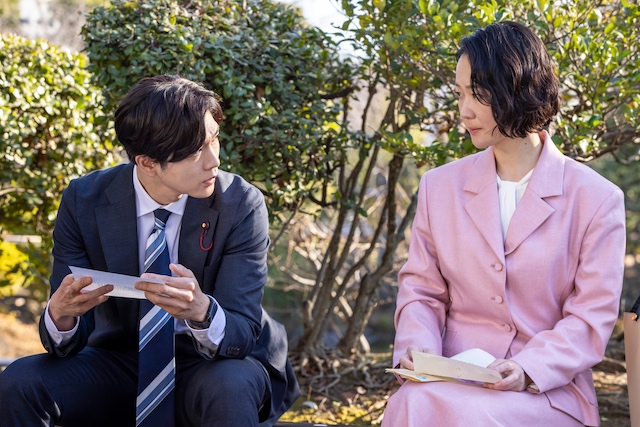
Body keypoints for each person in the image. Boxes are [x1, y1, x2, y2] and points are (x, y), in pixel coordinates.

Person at [0, 75, 299, 427]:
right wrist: (61, 315)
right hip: (121, 359)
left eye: (214, 139)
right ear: (147, 163)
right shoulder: (84, 200)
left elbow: (242, 330)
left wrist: (201, 310)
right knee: (20, 381)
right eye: (195, 152)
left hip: (213, 362)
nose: (213, 161)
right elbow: (67, 338)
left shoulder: (240, 204)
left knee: (230, 387)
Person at [381, 21, 626, 426]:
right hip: (450, 378)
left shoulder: (597, 199)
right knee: (411, 402)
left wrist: (529, 368)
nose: (464, 110)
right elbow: (422, 291)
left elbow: (590, 318)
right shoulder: (439, 186)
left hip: (546, 390)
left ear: (518, 88)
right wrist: (419, 350)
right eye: (460, 94)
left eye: (478, 93)